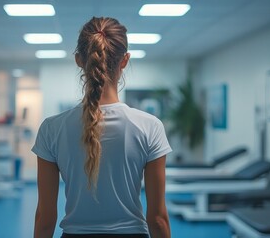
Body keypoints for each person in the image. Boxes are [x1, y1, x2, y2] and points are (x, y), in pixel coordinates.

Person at [32, 17, 172, 238]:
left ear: (79, 60)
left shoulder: (51, 128)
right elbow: (157, 219)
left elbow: (45, 218)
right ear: (125, 60)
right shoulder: (150, 126)